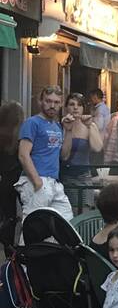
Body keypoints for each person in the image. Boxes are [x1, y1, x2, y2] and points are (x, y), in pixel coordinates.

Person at [16, 85, 73, 220]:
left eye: (56, 102)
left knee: (66, 222)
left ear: (61, 105)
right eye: (48, 101)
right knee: (33, 226)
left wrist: (69, 130)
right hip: (36, 179)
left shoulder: (58, 126)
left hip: (54, 182)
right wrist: (37, 182)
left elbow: (64, 156)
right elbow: (23, 155)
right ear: (40, 101)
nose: (52, 105)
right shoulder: (32, 122)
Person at [0, 102, 24, 251]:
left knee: (8, 214)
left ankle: (7, 244)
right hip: (19, 177)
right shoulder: (21, 135)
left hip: (4, 178)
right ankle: (21, 244)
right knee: (27, 210)